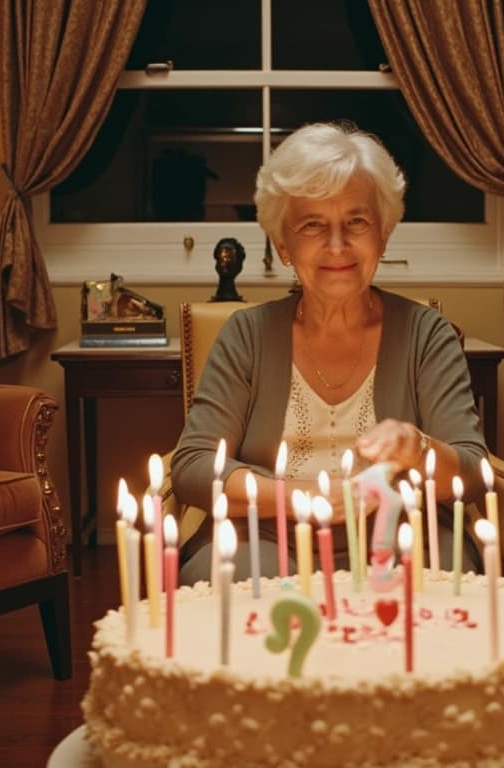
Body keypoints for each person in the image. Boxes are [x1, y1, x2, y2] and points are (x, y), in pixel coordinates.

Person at [172, 122, 487, 584]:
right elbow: (195, 466)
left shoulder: (426, 334)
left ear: (383, 234)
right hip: (264, 534)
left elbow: (474, 471)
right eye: (313, 225)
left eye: (356, 222)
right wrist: (304, 499)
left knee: (445, 581)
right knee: (236, 581)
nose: (337, 245)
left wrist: (418, 449)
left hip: (402, 529)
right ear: (283, 244)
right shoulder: (246, 335)